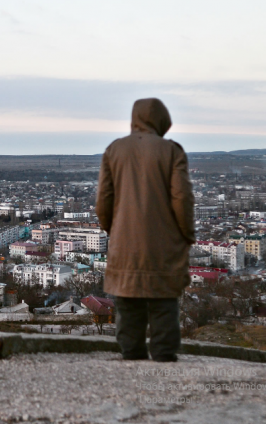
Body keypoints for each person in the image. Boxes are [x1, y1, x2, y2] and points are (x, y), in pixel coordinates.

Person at [95, 98, 195, 362]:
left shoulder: (114, 150)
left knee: (128, 300)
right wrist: (187, 233)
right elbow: (182, 198)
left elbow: (103, 201)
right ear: (162, 121)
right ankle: (163, 355)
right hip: (164, 241)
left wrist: (114, 231)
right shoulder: (171, 151)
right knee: (163, 299)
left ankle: (131, 354)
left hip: (124, 241)